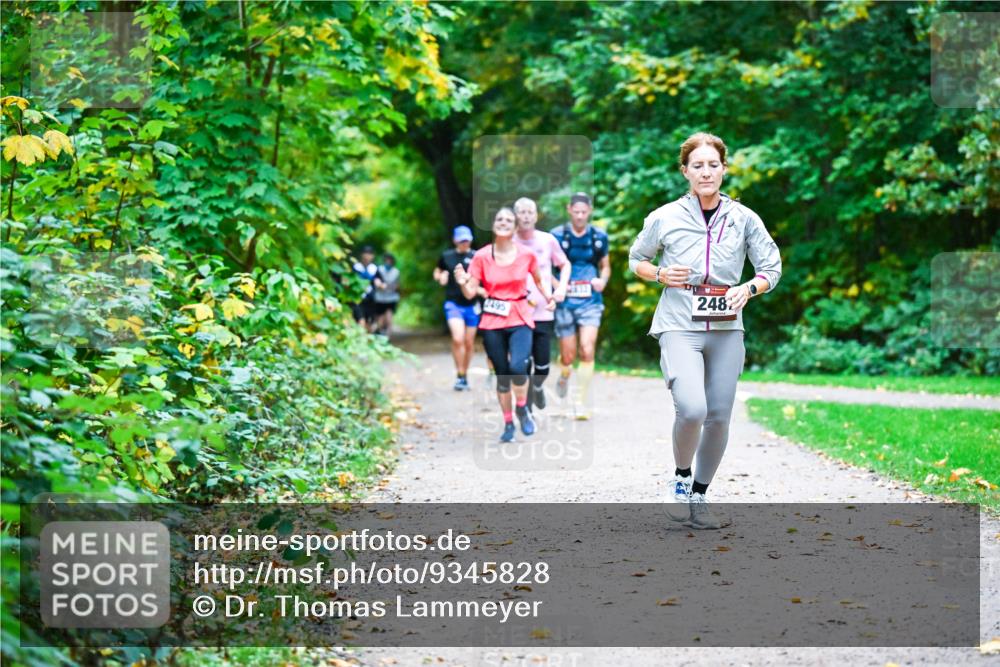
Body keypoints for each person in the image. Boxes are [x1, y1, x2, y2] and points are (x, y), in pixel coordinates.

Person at [628, 132, 782, 529]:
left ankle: (700, 495)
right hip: (679, 323)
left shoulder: (745, 218)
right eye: (697, 165)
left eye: (713, 164)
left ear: (724, 169)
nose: (706, 172)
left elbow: (771, 268)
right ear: (685, 172)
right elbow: (637, 259)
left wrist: (748, 288)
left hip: (728, 328)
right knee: (692, 407)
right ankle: (679, 479)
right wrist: (661, 274)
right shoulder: (663, 216)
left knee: (719, 416)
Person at [454, 207, 555, 443]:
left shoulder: (526, 255)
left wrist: (549, 299)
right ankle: (508, 422)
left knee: (518, 368)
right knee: (502, 375)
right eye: (499, 219)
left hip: (520, 316)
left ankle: (522, 408)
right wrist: (461, 281)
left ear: (516, 227)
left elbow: (539, 282)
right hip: (492, 319)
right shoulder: (480, 256)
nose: (504, 222)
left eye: (509, 220)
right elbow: (470, 293)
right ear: (493, 224)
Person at [550, 192, 611, 420]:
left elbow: (605, 266)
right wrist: (558, 286)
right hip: (565, 301)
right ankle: (565, 373)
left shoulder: (599, 236)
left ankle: (580, 401)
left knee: (587, 348)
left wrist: (602, 281)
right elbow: (545, 268)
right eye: (576, 212)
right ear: (569, 210)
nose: (580, 216)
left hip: (590, 301)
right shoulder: (556, 236)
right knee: (568, 355)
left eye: (584, 212)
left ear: (590, 211)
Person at [513, 197, 569, 411]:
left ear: (536, 216)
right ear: (516, 216)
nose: (526, 216)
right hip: (518, 313)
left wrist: (561, 288)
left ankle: (537, 386)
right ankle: (525, 406)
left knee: (543, 366)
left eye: (530, 212)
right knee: (522, 363)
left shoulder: (547, 240)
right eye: (522, 212)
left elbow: (564, 264)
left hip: (544, 311)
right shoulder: (508, 241)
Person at [434, 226, 480, 391]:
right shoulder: (447, 256)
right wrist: (441, 277)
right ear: (455, 240)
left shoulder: (476, 257)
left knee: (469, 343)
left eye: (466, 240)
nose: (464, 243)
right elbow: (437, 271)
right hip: (453, 303)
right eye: (461, 240)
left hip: (472, 305)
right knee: (457, 338)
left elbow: (482, 278)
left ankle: (464, 374)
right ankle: (459, 374)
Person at [373, 252, 401, 336]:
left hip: (391, 298)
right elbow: (376, 281)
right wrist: (381, 285)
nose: (388, 262)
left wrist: (389, 287)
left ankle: (388, 335)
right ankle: (380, 333)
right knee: (380, 317)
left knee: (389, 316)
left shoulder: (396, 272)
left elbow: (397, 285)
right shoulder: (379, 269)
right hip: (380, 297)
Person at [351, 246, 378, 330]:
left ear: (372, 256)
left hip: (371, 299)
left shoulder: (374, 268)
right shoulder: (356, 267)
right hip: (357, 298)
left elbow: (379, 281)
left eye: (369, 254)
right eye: (365, 254)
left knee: (369, 322)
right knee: (360, 321)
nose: (367, 256)